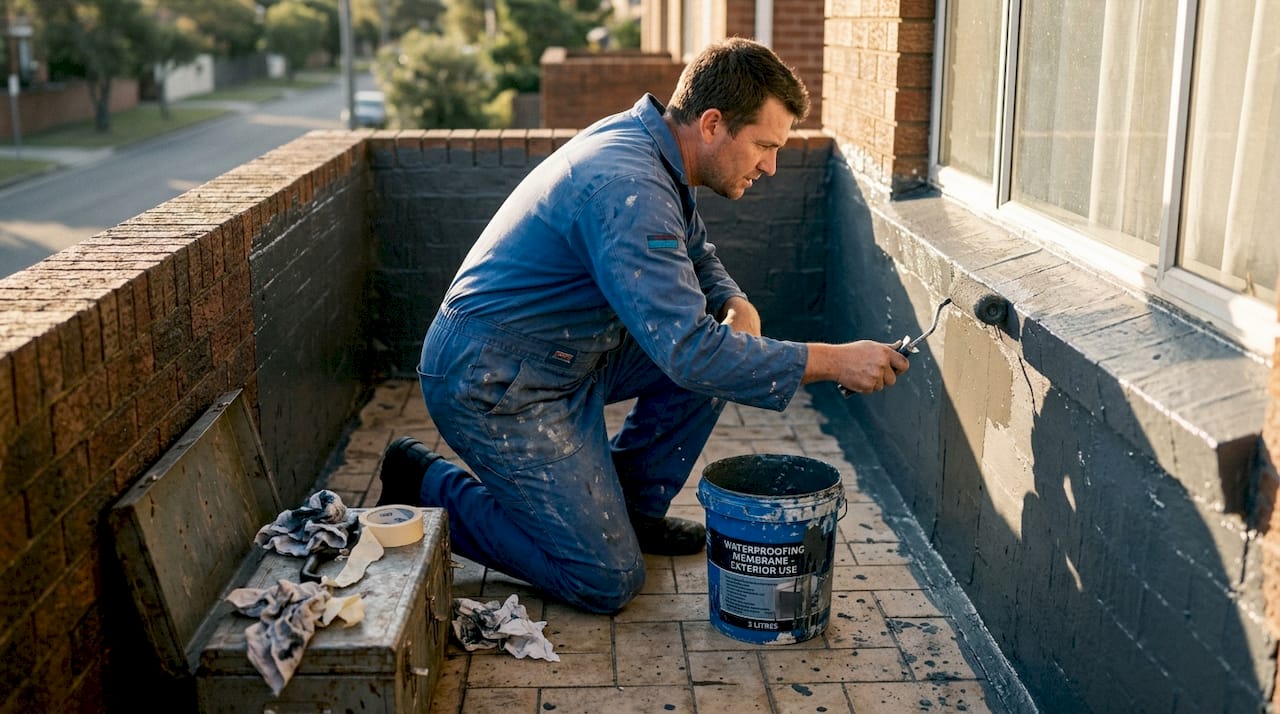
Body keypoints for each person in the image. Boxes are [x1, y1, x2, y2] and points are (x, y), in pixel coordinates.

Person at [378, 37, 909, 614]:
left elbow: (697, 254)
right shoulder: (629, 184)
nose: (770, 166)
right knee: (605, 580)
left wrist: (737, 303)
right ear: (712, 124)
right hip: (495, 378)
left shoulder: (657, 151)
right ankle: (425, 483)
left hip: (562, 352)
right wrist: (835, 361)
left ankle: (629, 513)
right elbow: (691, 352)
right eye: (764, 146)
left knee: (721, 354)